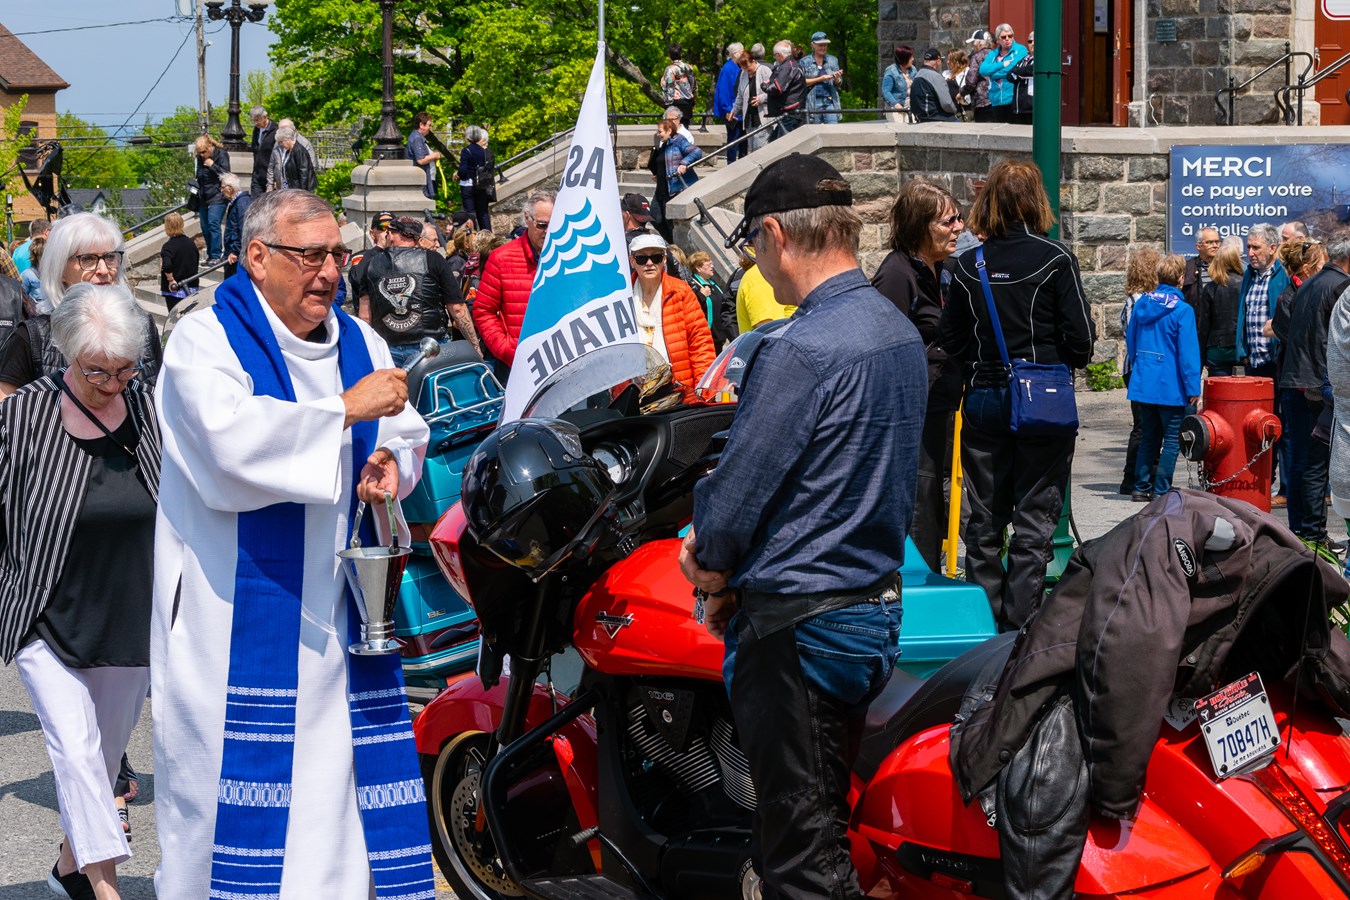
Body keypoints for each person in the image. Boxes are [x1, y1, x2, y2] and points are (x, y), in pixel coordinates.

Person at [151, 189, 434, 900]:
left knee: (332, 800)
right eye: (310, 256)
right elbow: (228, 448)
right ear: (256, 257)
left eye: (338, 255)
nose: (330, 272)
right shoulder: (204, 341)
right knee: (224, 802)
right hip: (232, 615)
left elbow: (403, 427)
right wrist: (345, 411)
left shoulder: (359, 341)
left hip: (338, 618)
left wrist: (390, 467)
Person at [680, 153, 924, 900]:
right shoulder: (896, 330)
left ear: (777, 234)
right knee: (822, 831)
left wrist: (707, 563)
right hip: (872, 610)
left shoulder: (801, 348)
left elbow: (734, 501)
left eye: (754, 241)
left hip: (800, 629)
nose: (756, 259)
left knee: (802, 859)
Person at [1, 283, 161, 900]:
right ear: (67, 354)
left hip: (129, 615)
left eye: (125, 369)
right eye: (98, 371)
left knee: (100, 760)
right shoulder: (23, 415)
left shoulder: (146, 402)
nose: (113, 383)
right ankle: (104, 886)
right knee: (74, 749)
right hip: (44, 612)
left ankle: (69, 869)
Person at [939, 160, 1094, 631]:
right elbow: (1082, 342)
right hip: (1041, 397)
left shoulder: (969, 265)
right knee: (1034, 518)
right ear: (1035, 203)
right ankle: (1020, 627)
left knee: (983, 522)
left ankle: (986, 621)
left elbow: (952, 339)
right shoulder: (1054, 258)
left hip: (985, 395)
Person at [872, 179, 966, 570]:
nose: (959, 227)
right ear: (919, 225)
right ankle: (920, 580)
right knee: (921, 502)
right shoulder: (897, 273)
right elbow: (883, 347)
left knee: (944, 497)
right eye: (948, 221)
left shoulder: (944, 268)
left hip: (947, 402)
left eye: (959, 218)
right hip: (916, 409)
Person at [0, 212, 162, 399]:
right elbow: (6, 413)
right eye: (87, 259)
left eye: (110, 257)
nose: (103, 270)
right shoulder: (32, 337)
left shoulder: (142, 324)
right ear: (59, 269)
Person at [1272, 234, 1350, 546]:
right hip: (1315, 382)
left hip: (1294, 379)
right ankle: (1314, 534)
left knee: (1299, 459)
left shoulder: (1308, 285)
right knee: (1316, 461)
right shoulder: (1340, 287)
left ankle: (1301, 531)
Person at [1124, 254, 1202, 501]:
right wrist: (1193, 387)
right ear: (1180, 278)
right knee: (1170, 440)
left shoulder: (1141, 304)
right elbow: (1188, 353)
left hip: (1145, 379)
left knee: (1148, 436)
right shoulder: (1182, 310)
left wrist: (1140, 368)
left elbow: (1131, 342)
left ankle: (1140, 487)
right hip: (1171, 385)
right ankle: (1161, 490)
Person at [359, 215, 476, 363]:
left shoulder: (370, 264)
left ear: (394, 235)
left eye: (388, 232)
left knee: (395, 387)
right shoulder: (433, 259)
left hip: (388, 348)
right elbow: (457, 308)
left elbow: (364, 316)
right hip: (430, 345)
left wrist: (368, 350)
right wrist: (475, 347)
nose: (386, 236)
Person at [472, 190, 553, 380]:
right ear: (527, 219)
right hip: (518, 365)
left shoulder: (570, 256)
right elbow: (483, 310)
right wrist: (507, 350)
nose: (549, 231)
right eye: (542, 225)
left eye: (555, 224)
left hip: (562, 362)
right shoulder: (501, 258)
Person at [628, 234, 716, 402]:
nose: (649, 263)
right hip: (634, 393)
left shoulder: (681, 292)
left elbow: (700, 343)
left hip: (677, 392)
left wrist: (705, 391)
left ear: (664, 259)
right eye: (641, 258)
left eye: (656, 257)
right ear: (632, 261)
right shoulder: (622, 295)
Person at [1117, 246, 1161, 495]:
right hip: (1140, 369)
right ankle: (1133, 477)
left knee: (1144, 424)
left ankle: (1138, 475)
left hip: (1134, 368)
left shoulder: (1133, 300)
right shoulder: (1139, 302)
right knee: (1143, 425)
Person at [1199, 237, 1244, 377]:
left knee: (1219, 395)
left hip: (1217, 348)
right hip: (1241, 347)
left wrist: (1202, 356)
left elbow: (1204, 326)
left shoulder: (1210, 288)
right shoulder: (1247, 285)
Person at [193, 134, 231, 264]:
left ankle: (216, 254)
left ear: (210, 147)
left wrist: (212, 165)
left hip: (218, 195)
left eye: (204, 152)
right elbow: (199, 173)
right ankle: (210, 254)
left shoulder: (221, 153)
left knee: (213, 224)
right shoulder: (200, 158)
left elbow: (226, 173)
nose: (202, 155)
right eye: (199, 153)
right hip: (204, 195)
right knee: (205, 226)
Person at [980, 24, 1028, 123]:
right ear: (998, 40)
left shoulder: (1020, 50)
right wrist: (1002, 64)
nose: (1007, 39)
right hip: (996, 99)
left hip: (1012, 98)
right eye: (1004, 37)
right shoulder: (993, 54)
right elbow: (983, 70)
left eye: (1010, 36)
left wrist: (993, 75)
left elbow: (1011, 69)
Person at [686, 250, 730, 346]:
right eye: (708, 265)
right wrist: (701, 296)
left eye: (711, 264)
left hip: (720, 335)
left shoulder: (712, 283)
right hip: (706, 337)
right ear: (698, 268)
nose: (712, 266)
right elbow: (689, 308)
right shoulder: (693, 285)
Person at [734, 48, 774, 155]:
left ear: (753, 61)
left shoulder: (764, 71)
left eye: (748, 67)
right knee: (751, 150)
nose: (747, 70)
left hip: (762, 117)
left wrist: (761, 98)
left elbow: (773, 91)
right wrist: (733, 111)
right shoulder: (743, 74)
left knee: (760, 149)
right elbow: (740, 96)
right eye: (743, 68)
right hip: (749, 118)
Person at [766, 40, 808, 137]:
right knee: (773, 143)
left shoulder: (787, 66)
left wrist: (764, 86)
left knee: (780, 146)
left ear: (779, 55)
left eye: (774, 55)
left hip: (791, 113)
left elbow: (777, 88)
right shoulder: (795, 64)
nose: (774, 58)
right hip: (793, 111)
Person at [159, 212, 199, 312]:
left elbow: (167, 265)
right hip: (191, 287)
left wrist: (171, 280)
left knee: (175, 319)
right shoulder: (191, 243)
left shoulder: (168, 246)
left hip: (175, 290)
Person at [456, 124, 493, 230]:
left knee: (470, 214)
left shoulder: (466, 151)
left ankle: (472, 236)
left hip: (468, 185)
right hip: (481, 185)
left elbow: (463, 171)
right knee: (483, 212)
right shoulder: (483, 151)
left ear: (467, 137)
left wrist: (459, 175)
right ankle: (487, 236)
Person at [801, 32, 843, 124]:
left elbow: (839, 84)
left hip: (830, 101)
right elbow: (801, 83)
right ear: (813, 45)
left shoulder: (833, 60)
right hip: (812, 102)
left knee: (834, 132)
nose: (823, 48)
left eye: (825, 45)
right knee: (815, 133)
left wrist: (836, 78)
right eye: (820, 45)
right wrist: (821, 78)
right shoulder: (804, 62)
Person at [656, 118, 703, 198]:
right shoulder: (666, 144)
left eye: (660, 132)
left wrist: (684, 163)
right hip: (665, 189)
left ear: (669, 131)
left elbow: (697, 151)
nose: (658, 134)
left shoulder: (679, 141)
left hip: (680, 188)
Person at [716, 42, 746, 163]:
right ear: (735, 54)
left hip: (740, 111)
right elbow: (724, 91)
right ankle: (731, 165)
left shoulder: (738, 67)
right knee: (733, 142)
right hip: (733, 111)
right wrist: (728, 109)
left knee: (743, 141)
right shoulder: (728, 69)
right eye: (742, 52)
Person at [910, 48, 959, 122]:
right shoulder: (935, 76)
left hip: (920, 117)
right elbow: (947, 104)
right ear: (938, 61)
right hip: (936, 117)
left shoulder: (918, 75)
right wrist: (955, 110)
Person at [220, 172, 252, 281]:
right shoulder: (238, 202)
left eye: (223, 187)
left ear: (230, 188)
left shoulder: (242, 202)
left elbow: (244, 228)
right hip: (233, 252)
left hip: (236, 255)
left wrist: (235, 251)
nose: (221, 190)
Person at [1182, 226, 1221, 311]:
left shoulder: (1227, 267)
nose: (1215, 246)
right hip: (1196, 321)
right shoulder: (1187, 268)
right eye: (1210, 242)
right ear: (1198, 246)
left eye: (1217, 242)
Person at [407, 111, 443, 202]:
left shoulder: (417, 137)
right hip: (421, 179)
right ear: (421, 125)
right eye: (429, 125)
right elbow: (421, 160)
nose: (429, 128)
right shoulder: (417, 138)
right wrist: (435, 155)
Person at [661, 43, 698, 127]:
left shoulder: (670, 69)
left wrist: (668, 104)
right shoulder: (689, 67)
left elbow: (670, 87)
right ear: (681, 54)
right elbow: (694, 84)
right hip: (687, 102)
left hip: (675, 103)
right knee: (684, 129)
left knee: (674, 130)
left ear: (669, 55)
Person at [275, 123, 317, 193]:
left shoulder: (299, 150)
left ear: (287, 139)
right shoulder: (288, 151)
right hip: (291, 188)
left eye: (281, 142)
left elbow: (304, 173)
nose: (280, 145)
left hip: (299, 190)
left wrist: (302, 192)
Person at [964, 29, 995, 122]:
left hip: (982, 102)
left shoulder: (977, 57)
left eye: (974, 43)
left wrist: (962, 92)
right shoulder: (997, 55)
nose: (973, 46)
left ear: (980, 44)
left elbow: (971, 81)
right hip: (997, 100)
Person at [248, 105, 277, 197]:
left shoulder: (275, 130)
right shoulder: (256, 130)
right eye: (253, 120)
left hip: (270, 176)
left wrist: (276, 179)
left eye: (257, 120)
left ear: (265, 117)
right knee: (255, 204)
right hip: (257, 174)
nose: (255, 123)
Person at [881, 46, 916, 122]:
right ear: (904, 59)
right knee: (899, 127)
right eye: (911, 58)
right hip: (895, 107)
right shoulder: (891, 72)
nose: (913, 59)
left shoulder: (913, 70)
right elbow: (886, 92)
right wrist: (896, 105)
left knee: (912, 127)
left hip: (910, 106)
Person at [1008, 31, 1034, 124]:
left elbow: (1032, 70)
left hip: (1032, 107)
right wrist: (1020, 74)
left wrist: (1018, 72)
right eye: (1030, 41)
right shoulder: (1023, 60)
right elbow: (1009, 75)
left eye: (1035, 41)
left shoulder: (1043, 59)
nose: (1032, 44)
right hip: (1019, 107)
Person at [946, 49, 972, 119]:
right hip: (949, 111)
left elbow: (969, 88)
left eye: (950, 60)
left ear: (957, 61)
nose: (948, 62)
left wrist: (961, 97)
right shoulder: (945, 74)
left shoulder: (967, 72)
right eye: (947, 59)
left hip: (964, 110)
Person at [20, 235, 44, 308]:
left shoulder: (51, 273)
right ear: (36, 256)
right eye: (43, 255)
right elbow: (23, 298)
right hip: (35, 315)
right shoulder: (27, 275)